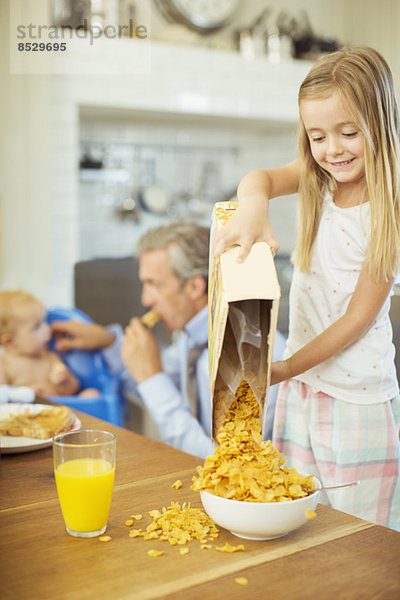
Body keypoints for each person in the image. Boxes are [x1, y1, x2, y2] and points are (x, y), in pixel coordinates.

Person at [213, 47, 400, 530]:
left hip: (355, 399)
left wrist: (286, 367)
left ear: (381, 121)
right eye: (317, 136)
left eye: (348, 132)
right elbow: (258, 178)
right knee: (303, 517)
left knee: (360, 533)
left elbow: (358, 319)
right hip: (302, 387)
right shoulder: (319, 180)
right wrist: (253, 205)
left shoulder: (388, 211)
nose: (332, 149)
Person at [50, 221, 287, 456]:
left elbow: (222, 462)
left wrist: (151, 378)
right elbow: (162, 385)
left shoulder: (245, 352)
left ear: (194, 287)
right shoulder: (191, 336)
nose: (146, 300)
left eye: (154, 284)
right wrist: (110, 343)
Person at [0, 290, 99, 398]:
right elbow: (3, 397)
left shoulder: (50, 358)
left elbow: (72, 390)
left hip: (60, 411)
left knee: (91, 394)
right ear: (9, 341)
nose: (48, 329)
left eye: (45, 322)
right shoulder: (4, 364)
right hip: (26, 413)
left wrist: (65, 380)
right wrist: (24, 394)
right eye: (37, 327)